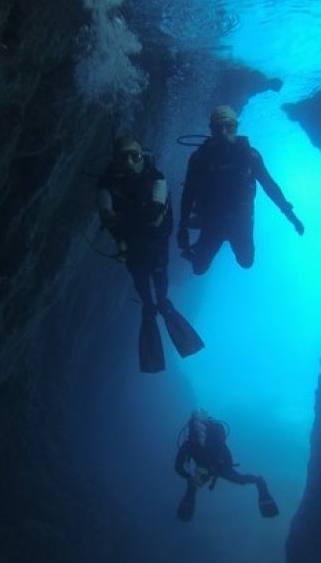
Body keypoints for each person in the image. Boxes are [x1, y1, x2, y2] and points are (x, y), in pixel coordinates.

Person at [97, 136, 204, 373]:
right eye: (122, 157)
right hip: (134, 246)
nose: (128, 163)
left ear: (142, 157)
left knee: (158, 283)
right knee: (144, 288)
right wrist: (122, 233)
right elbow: (108, 216)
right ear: (115, 160)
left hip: (153, 245)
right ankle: (152, 307)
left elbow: (154, 215)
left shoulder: (156, 179)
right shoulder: (107, 185)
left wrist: (121, 223)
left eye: (133, 156)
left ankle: (162, 305)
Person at [177, 105, 304, 275]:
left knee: (246, 262)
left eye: (228, 126)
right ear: (211, 130)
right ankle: (200, 242)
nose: (223, 132)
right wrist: (182, 226)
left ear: (236, 128)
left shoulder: (250, 157)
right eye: (218, 127)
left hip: (240, 221)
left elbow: (270, 186)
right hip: (212, 221)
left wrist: (291, 215)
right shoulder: (199, 159)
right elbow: (188, 193)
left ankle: (201, 243)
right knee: (198, 269)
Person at [174, 408, 279, 521]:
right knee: (241, 479)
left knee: (192, 488)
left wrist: (189, 476)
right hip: (222, 466)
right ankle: (261, 486)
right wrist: (225, 467)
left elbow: (178, 467)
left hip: (206, 469)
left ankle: (185, 515)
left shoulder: (189, 444)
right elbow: (227, 455)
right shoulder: (214, 437)